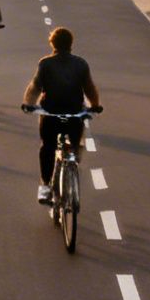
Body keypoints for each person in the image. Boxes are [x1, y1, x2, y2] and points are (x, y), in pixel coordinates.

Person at [22, 27, 101, 203]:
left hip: (50, 115)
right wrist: (95, 106)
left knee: (47, 147)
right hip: (74, 114)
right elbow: (89, 88)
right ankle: (73, 162)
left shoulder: (46, 63)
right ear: (71, 44)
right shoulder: (81, 64)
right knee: (74, 145)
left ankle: (45, 186)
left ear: (52, 43)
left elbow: (35, 87)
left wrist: (28, 104)